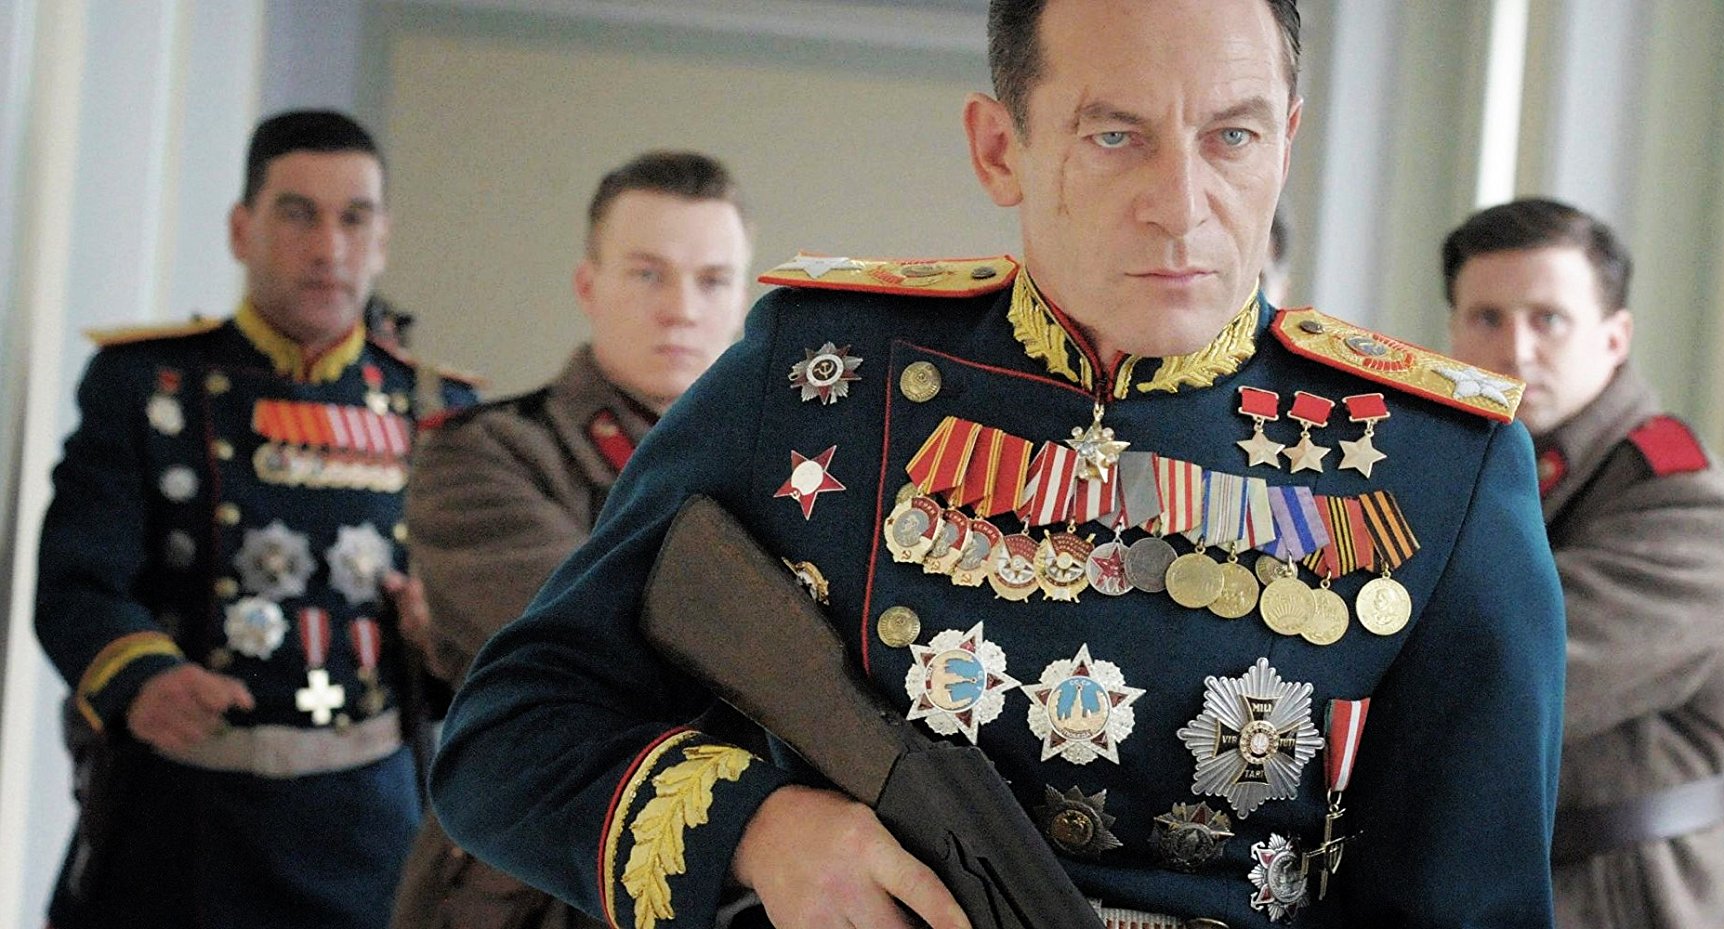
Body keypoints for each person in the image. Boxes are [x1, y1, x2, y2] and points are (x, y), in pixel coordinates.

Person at [433, 2, 1566, 927]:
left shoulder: (1436, 462)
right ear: (996, 148)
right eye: (1115, 135)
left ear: (1288, 140)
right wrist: (763, 831)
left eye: (1232, 136)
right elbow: (511, 734)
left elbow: (1471, 905)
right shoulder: (825, 371)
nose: (1181, 207)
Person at [34, 110, 477, 929]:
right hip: (178, 815)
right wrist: (142, 678)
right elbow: (76, 581)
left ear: (382, 239)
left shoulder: (442, 409)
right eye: (297, 214)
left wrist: (445, 635)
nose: (328, 247)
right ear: (242, 229)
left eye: (354, 218)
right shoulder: (144, 382)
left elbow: (489, 648)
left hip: (368, 825)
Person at [389, 150, 753, 929]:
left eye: (713, 280)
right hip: (535, 881)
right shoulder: (486, 453)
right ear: (588, 287)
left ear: (743, 300)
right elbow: (596, 660)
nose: (681, 308)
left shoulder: (788, 473)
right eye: (648, 274)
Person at [1444, 198, 1724, 929]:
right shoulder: (1459, 471)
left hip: (1626, 894)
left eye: (1548, 319)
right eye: (1486, 318)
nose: (1515, 351)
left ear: (1615, 338)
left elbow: (1514, 674)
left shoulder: (1682, 502)